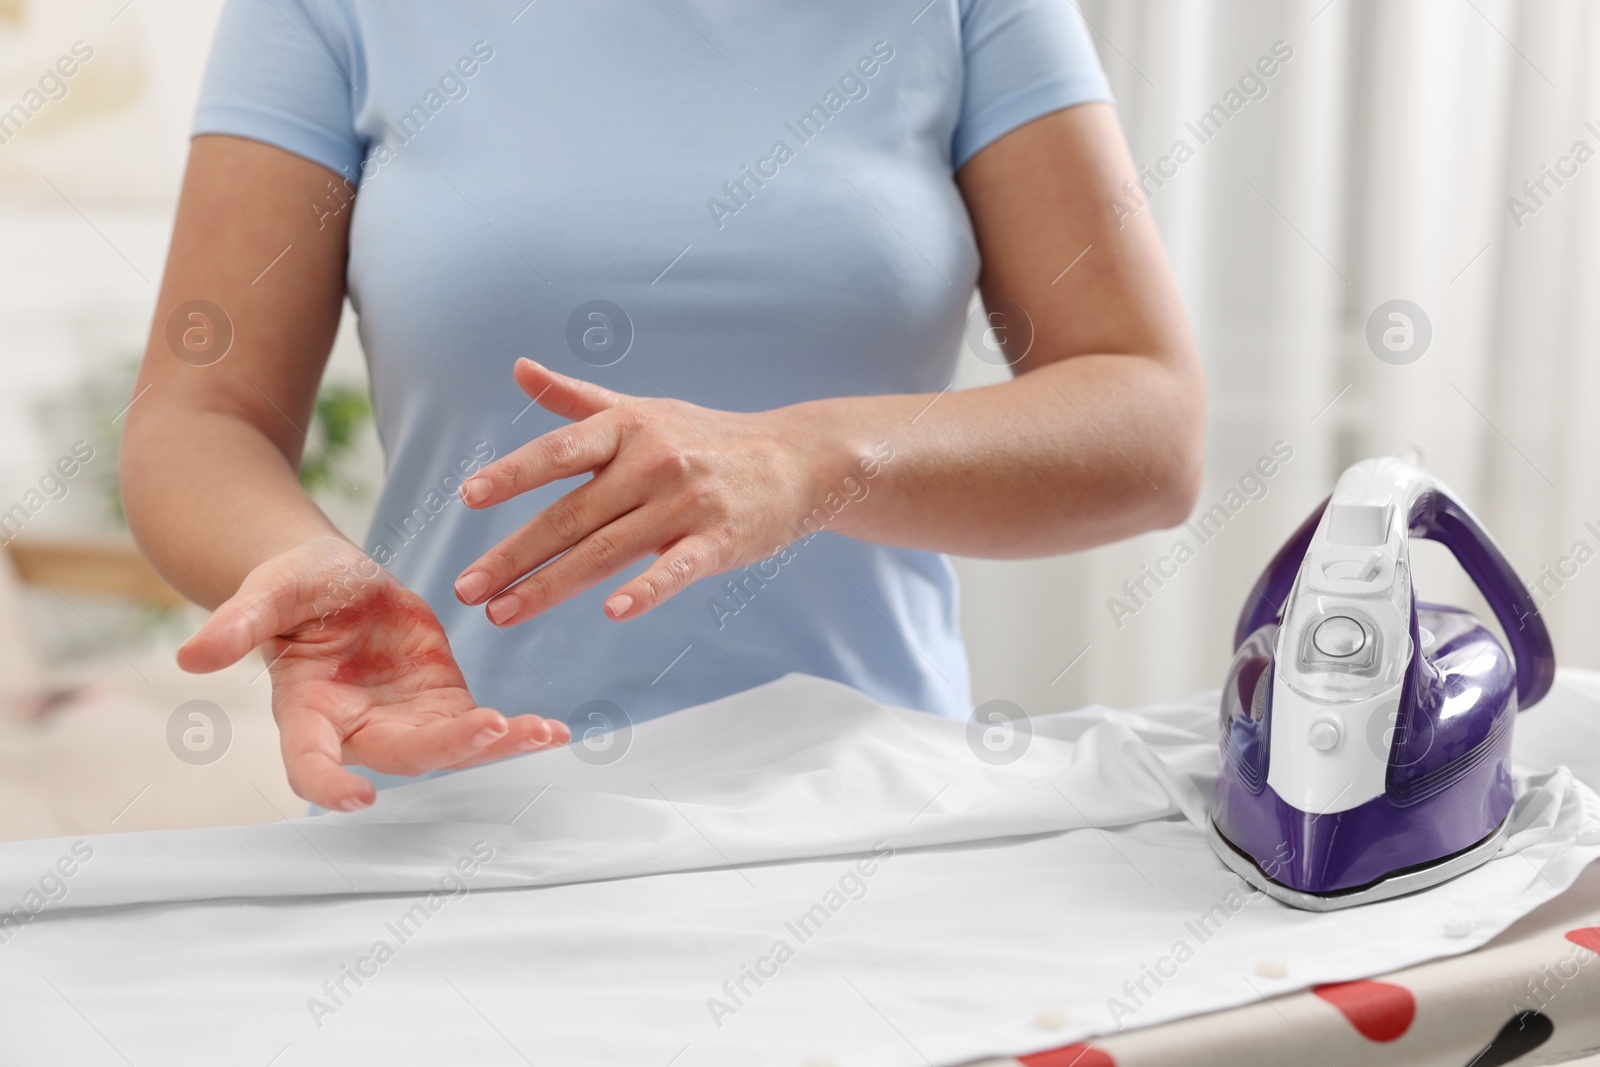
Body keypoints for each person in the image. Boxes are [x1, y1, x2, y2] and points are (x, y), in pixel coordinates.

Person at [120, 0, 1205, 813]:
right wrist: (298, 568)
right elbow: (200, 416)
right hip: (461, 818)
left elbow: (1147, 418)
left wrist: (807, 459)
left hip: (872, 817)